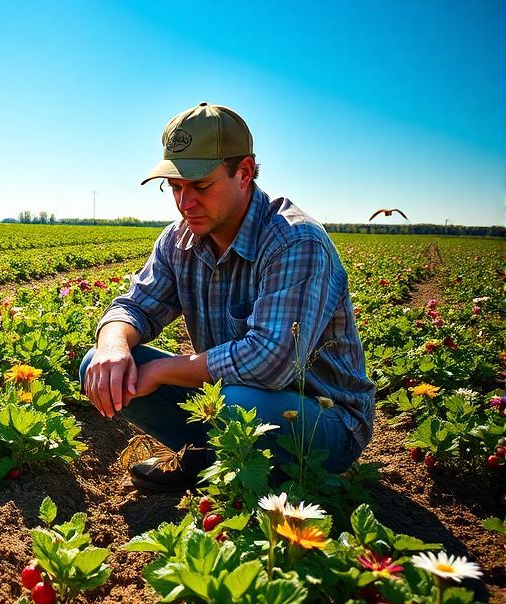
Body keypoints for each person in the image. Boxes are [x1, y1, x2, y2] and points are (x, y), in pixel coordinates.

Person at [80, 102, 375, 492]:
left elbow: (270, 362)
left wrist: (164, 371)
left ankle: (269, 480)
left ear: (245, 173)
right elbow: (135, 306)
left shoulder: (294, 241)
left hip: (324, 419)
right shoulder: (178, 240)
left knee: (237, 404)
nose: (186, 204)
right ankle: (210, 459)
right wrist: (113, 345)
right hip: (235, 396)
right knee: (101, 367)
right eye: (176, 188)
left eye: (201, 186)